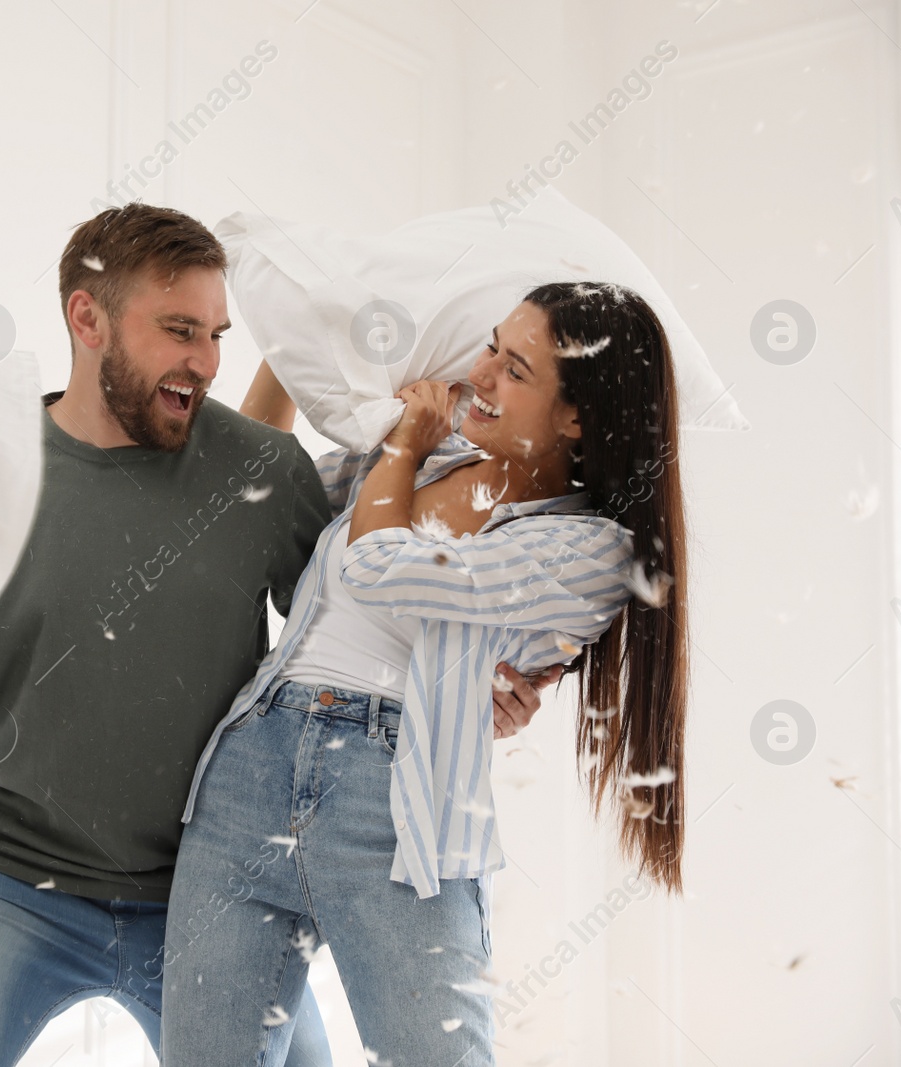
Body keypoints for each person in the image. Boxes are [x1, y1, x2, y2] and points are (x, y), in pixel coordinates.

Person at [0, 204, 555, 1067]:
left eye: (215, 333)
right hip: (7, 875)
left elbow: (356, 625)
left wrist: (475, 681)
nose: (208, 360)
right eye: (179, 330)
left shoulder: (262, 468)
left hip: (211, 891)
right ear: (87, 318)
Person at [161, 282, 690, 1067]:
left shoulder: (589, 548)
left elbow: (381, 568)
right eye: (490, 347)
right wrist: (291, 339)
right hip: (249, 770)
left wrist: (403, 443)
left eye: (515, 368)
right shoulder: (434, 455)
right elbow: (250, 496)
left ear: (577, 415)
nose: (481, 374)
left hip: (396, 810)